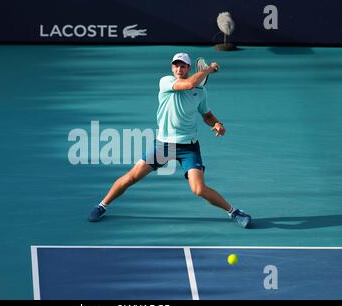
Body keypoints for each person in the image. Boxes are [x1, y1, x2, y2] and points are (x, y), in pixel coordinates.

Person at [88, 53, 252, 228]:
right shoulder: (166, 82)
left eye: (183, 66)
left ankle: (234, 212)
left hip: (189, 147)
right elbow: (189, 84)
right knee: (132, 177)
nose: (178, 69)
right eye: (176, 66)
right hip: (163, 145)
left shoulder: (200, 92)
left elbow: (207, 115)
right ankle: (102, 206)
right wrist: (210, 69)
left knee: (199, 189)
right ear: (172, 68)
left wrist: (217, 123)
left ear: (189, 68)